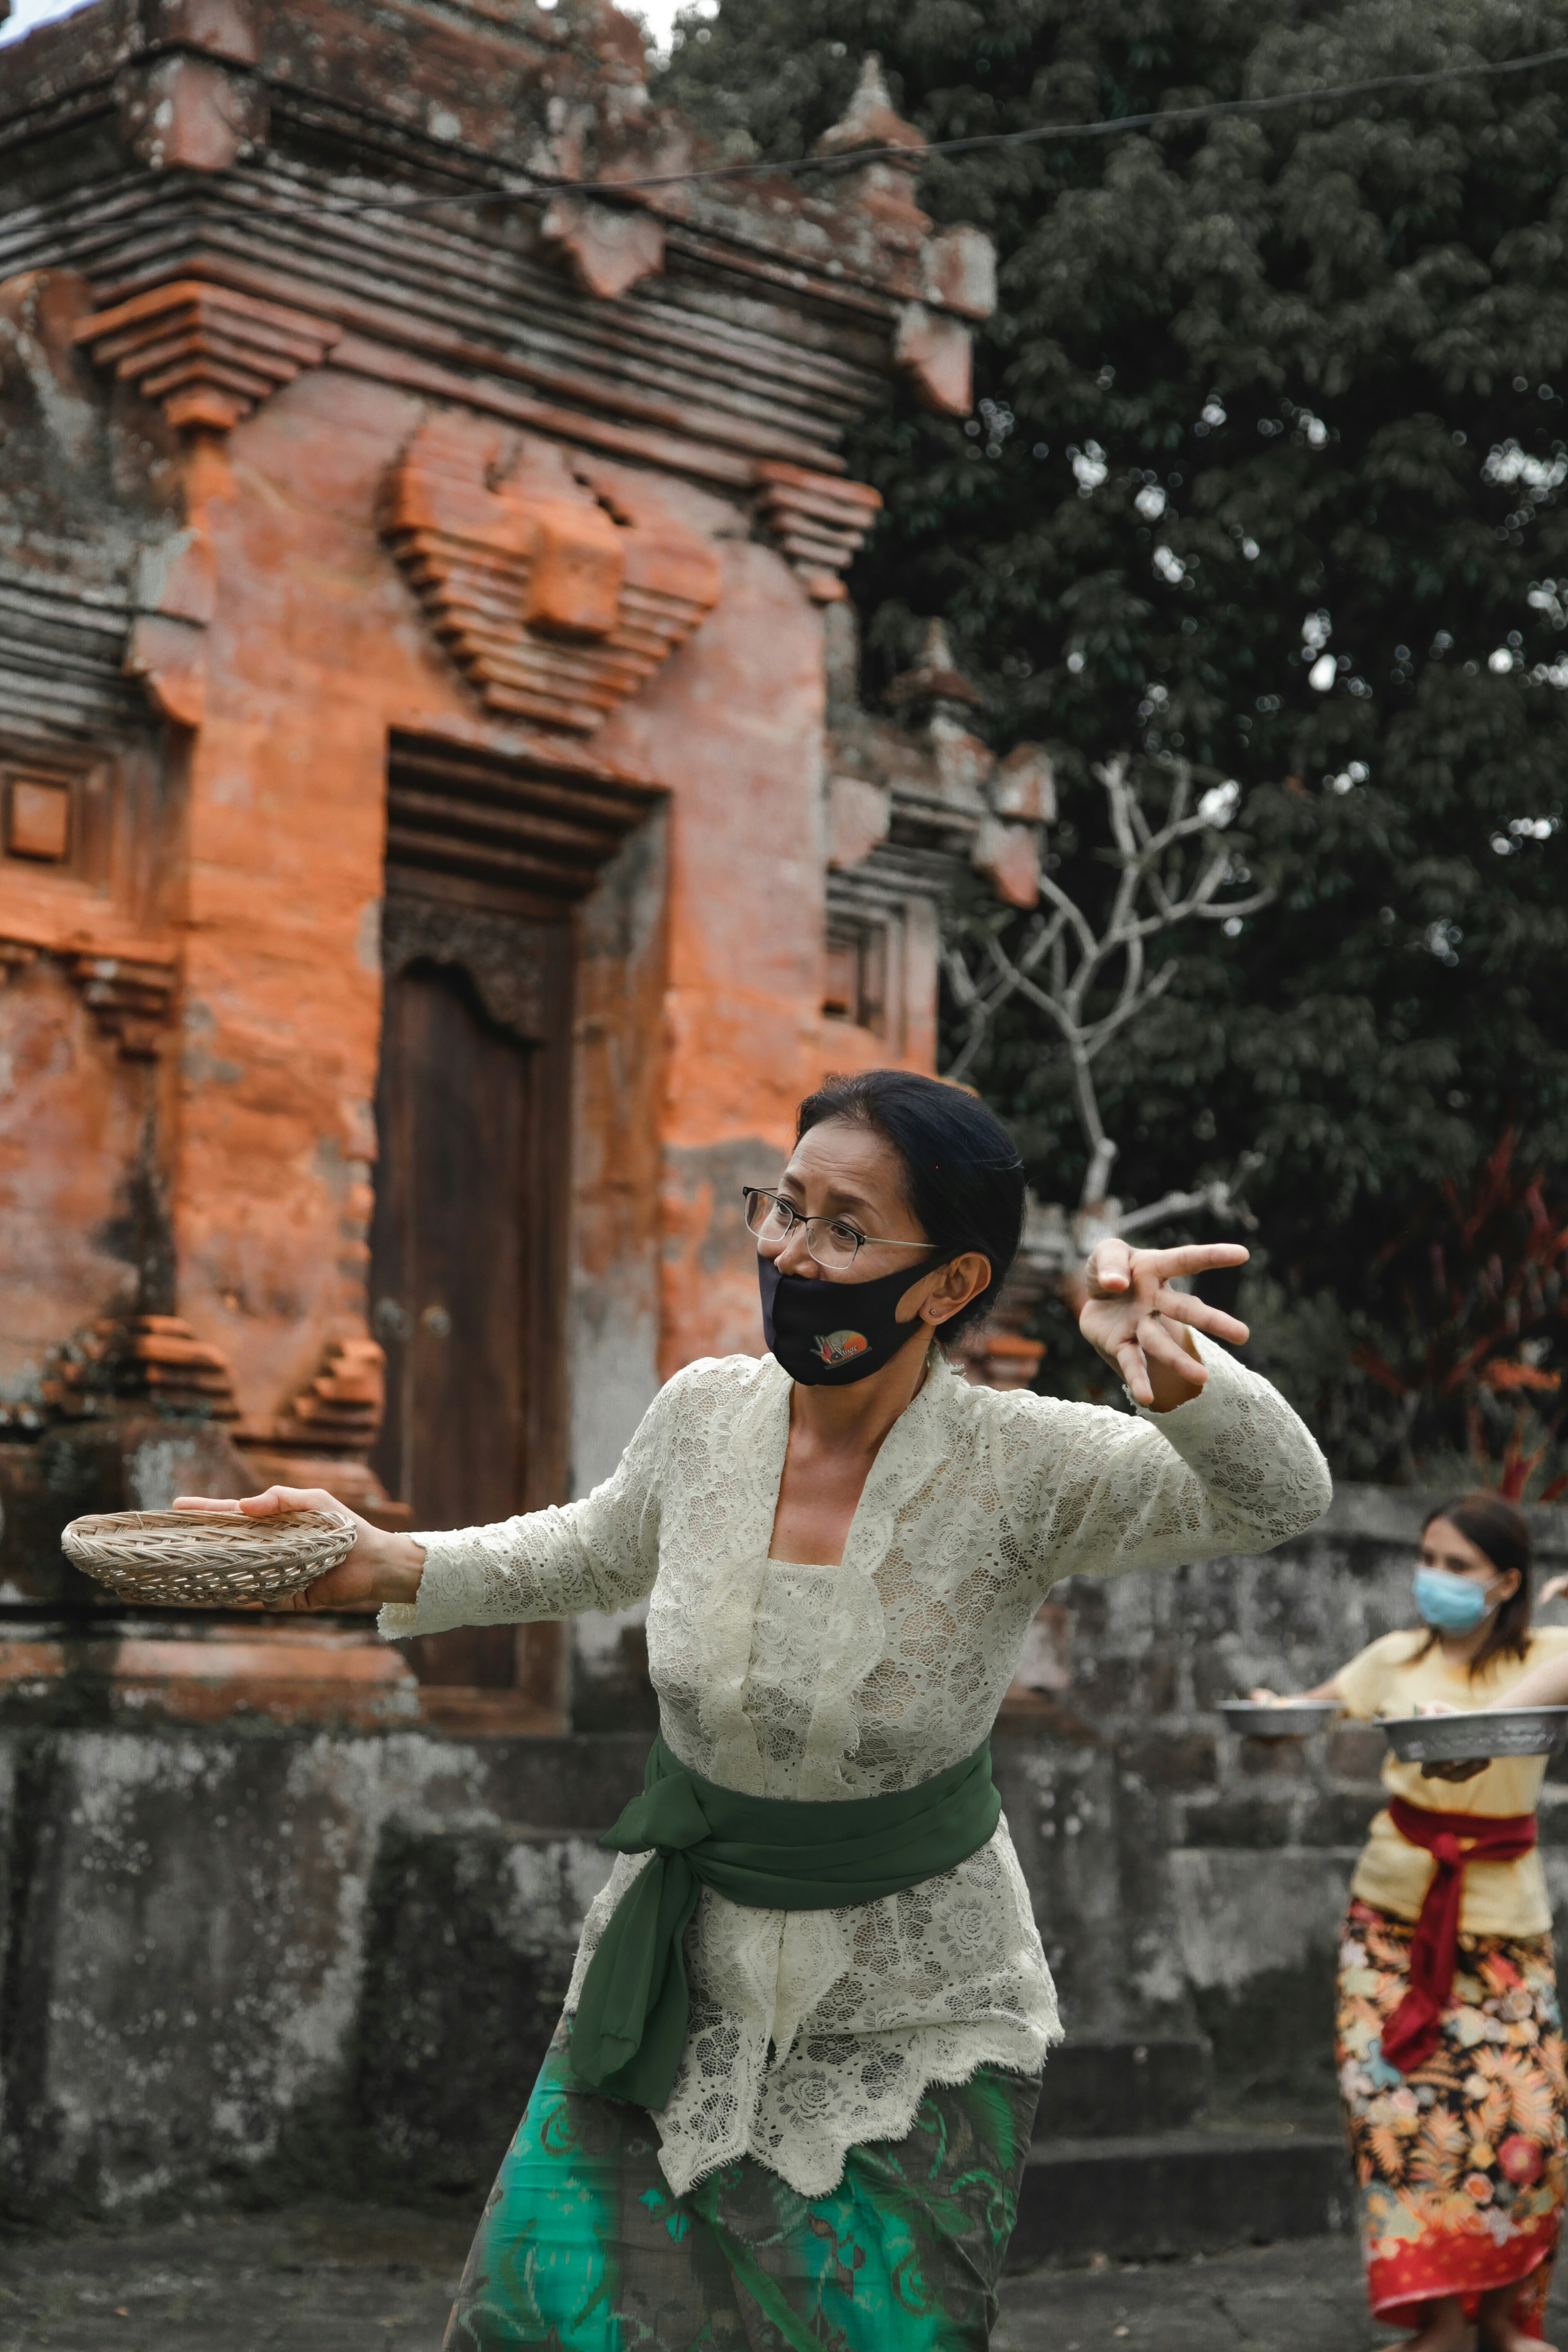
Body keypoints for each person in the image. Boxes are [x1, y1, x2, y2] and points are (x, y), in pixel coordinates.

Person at [179, 1070, 1330, 2350]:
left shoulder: (1028, 1463)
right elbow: (600, 1546)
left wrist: (1161, 1375)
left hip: (916, 2018)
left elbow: (1279, 1497)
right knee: (534, 2325)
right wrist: (385, 1559)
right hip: (670, 1987)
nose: (789, 1250)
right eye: (782, 1208)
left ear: (947, 1287)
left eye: (844, 1228)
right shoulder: (706, 1415)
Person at [1253, 1496, 1568, 2352]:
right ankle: (1435, 2323)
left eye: (1458, 1566)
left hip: (1503, 1923)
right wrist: (1275, 1711)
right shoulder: (1395, 1657)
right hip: (1389, 1920)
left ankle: (1503, 2319)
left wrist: (1481, 1720)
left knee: (1525, 2126)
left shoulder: (1547, 1654)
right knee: (1396, 2117)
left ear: (1506, 1583)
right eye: (1429, 1557)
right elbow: (1314, 1709)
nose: (1435, 1577)